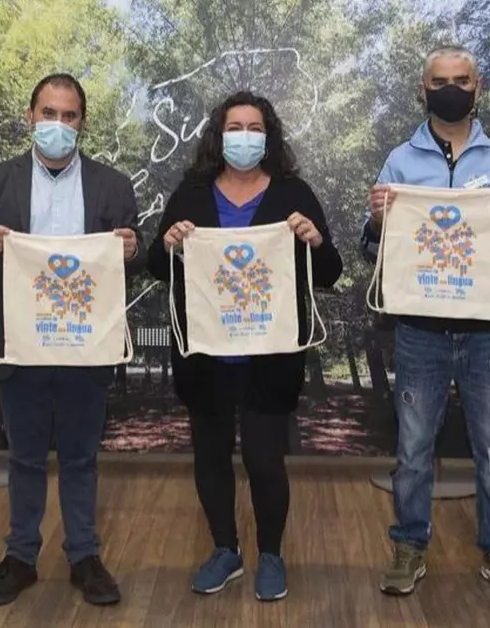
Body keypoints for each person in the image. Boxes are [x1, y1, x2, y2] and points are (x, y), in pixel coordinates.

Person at [147, 91, 343, 602]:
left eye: (254, 128)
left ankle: (271, 554)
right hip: (205, 355)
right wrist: (168, 244)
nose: (244, 137)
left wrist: (314, 241)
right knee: (211, 458)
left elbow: (329, 272)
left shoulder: (293, 192)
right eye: (234, 127)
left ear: (268, 136)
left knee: (264, 460)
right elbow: (156, 266)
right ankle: (225, 550)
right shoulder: (192, 192)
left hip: (269, 357)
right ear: (219, 135)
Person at [0, 73, 143, 608]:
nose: (58, 124)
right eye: (48, 113)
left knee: (81, 458)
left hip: (87, 344)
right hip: (21, 345)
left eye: (69, 116)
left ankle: (84, 557)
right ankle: (20, 558)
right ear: (30, 116)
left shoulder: (112, 185)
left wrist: (133, 249)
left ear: (82, 122)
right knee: (25, 458)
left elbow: (136, 257)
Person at [361, 45, 490, 602]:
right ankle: (409, 546)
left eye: (461, 79)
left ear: (478, 87)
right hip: (421, 330)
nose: (451, 89)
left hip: (486, 329)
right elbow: (374, 249)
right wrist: (377, 220)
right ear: (423, 89)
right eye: (440, 81)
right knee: (413, 450)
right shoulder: (400, 160)